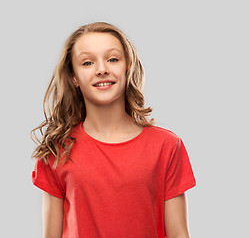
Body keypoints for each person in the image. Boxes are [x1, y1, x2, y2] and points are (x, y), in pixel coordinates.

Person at [30, 21, 196, 238]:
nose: (102, 69)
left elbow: (179, 234)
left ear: (127, 68)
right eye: (88, 62)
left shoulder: (166, 146)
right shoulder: (58, 149)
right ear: (73, 77)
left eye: (113, 59)